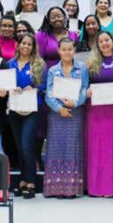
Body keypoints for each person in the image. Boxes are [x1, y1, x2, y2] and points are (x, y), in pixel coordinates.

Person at [85, 31, 113, 197]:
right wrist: (87, 90)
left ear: (112, 41)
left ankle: (111, 186)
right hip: (95, 111)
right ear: (97, 45)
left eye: (107, 40)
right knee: (96, 147)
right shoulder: (91, 63)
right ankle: (95, 187)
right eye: (100, 41)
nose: (104, 43)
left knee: (112, 146)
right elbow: (83, 85)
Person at [44, 38, 89, 198]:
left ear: (74, 50)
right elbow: (48, 93)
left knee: (72, 146)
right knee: (57, 147)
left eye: (70, 49)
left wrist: (75, 103)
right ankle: (55, 188)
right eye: (64, 49)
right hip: (57, 114)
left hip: (75, 113)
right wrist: (59, 108)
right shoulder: (52, 70)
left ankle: (71, 188)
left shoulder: (81, 68)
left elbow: (84, 88)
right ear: (59, 51)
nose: (67, 52)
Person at [7, 33, 46, 199]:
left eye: (29, 44)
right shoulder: (10, 64)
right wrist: (11, 88)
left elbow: (44, 85)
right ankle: (22, 180)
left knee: (27, 144)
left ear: (33, 47)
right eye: (23, 43)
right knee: (18, 145)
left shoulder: (39, 64)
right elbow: (4, 83)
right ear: (18, 45)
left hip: (32, 109)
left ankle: (31, 181)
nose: (26, 46)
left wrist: (35, 89)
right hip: (15, 109)